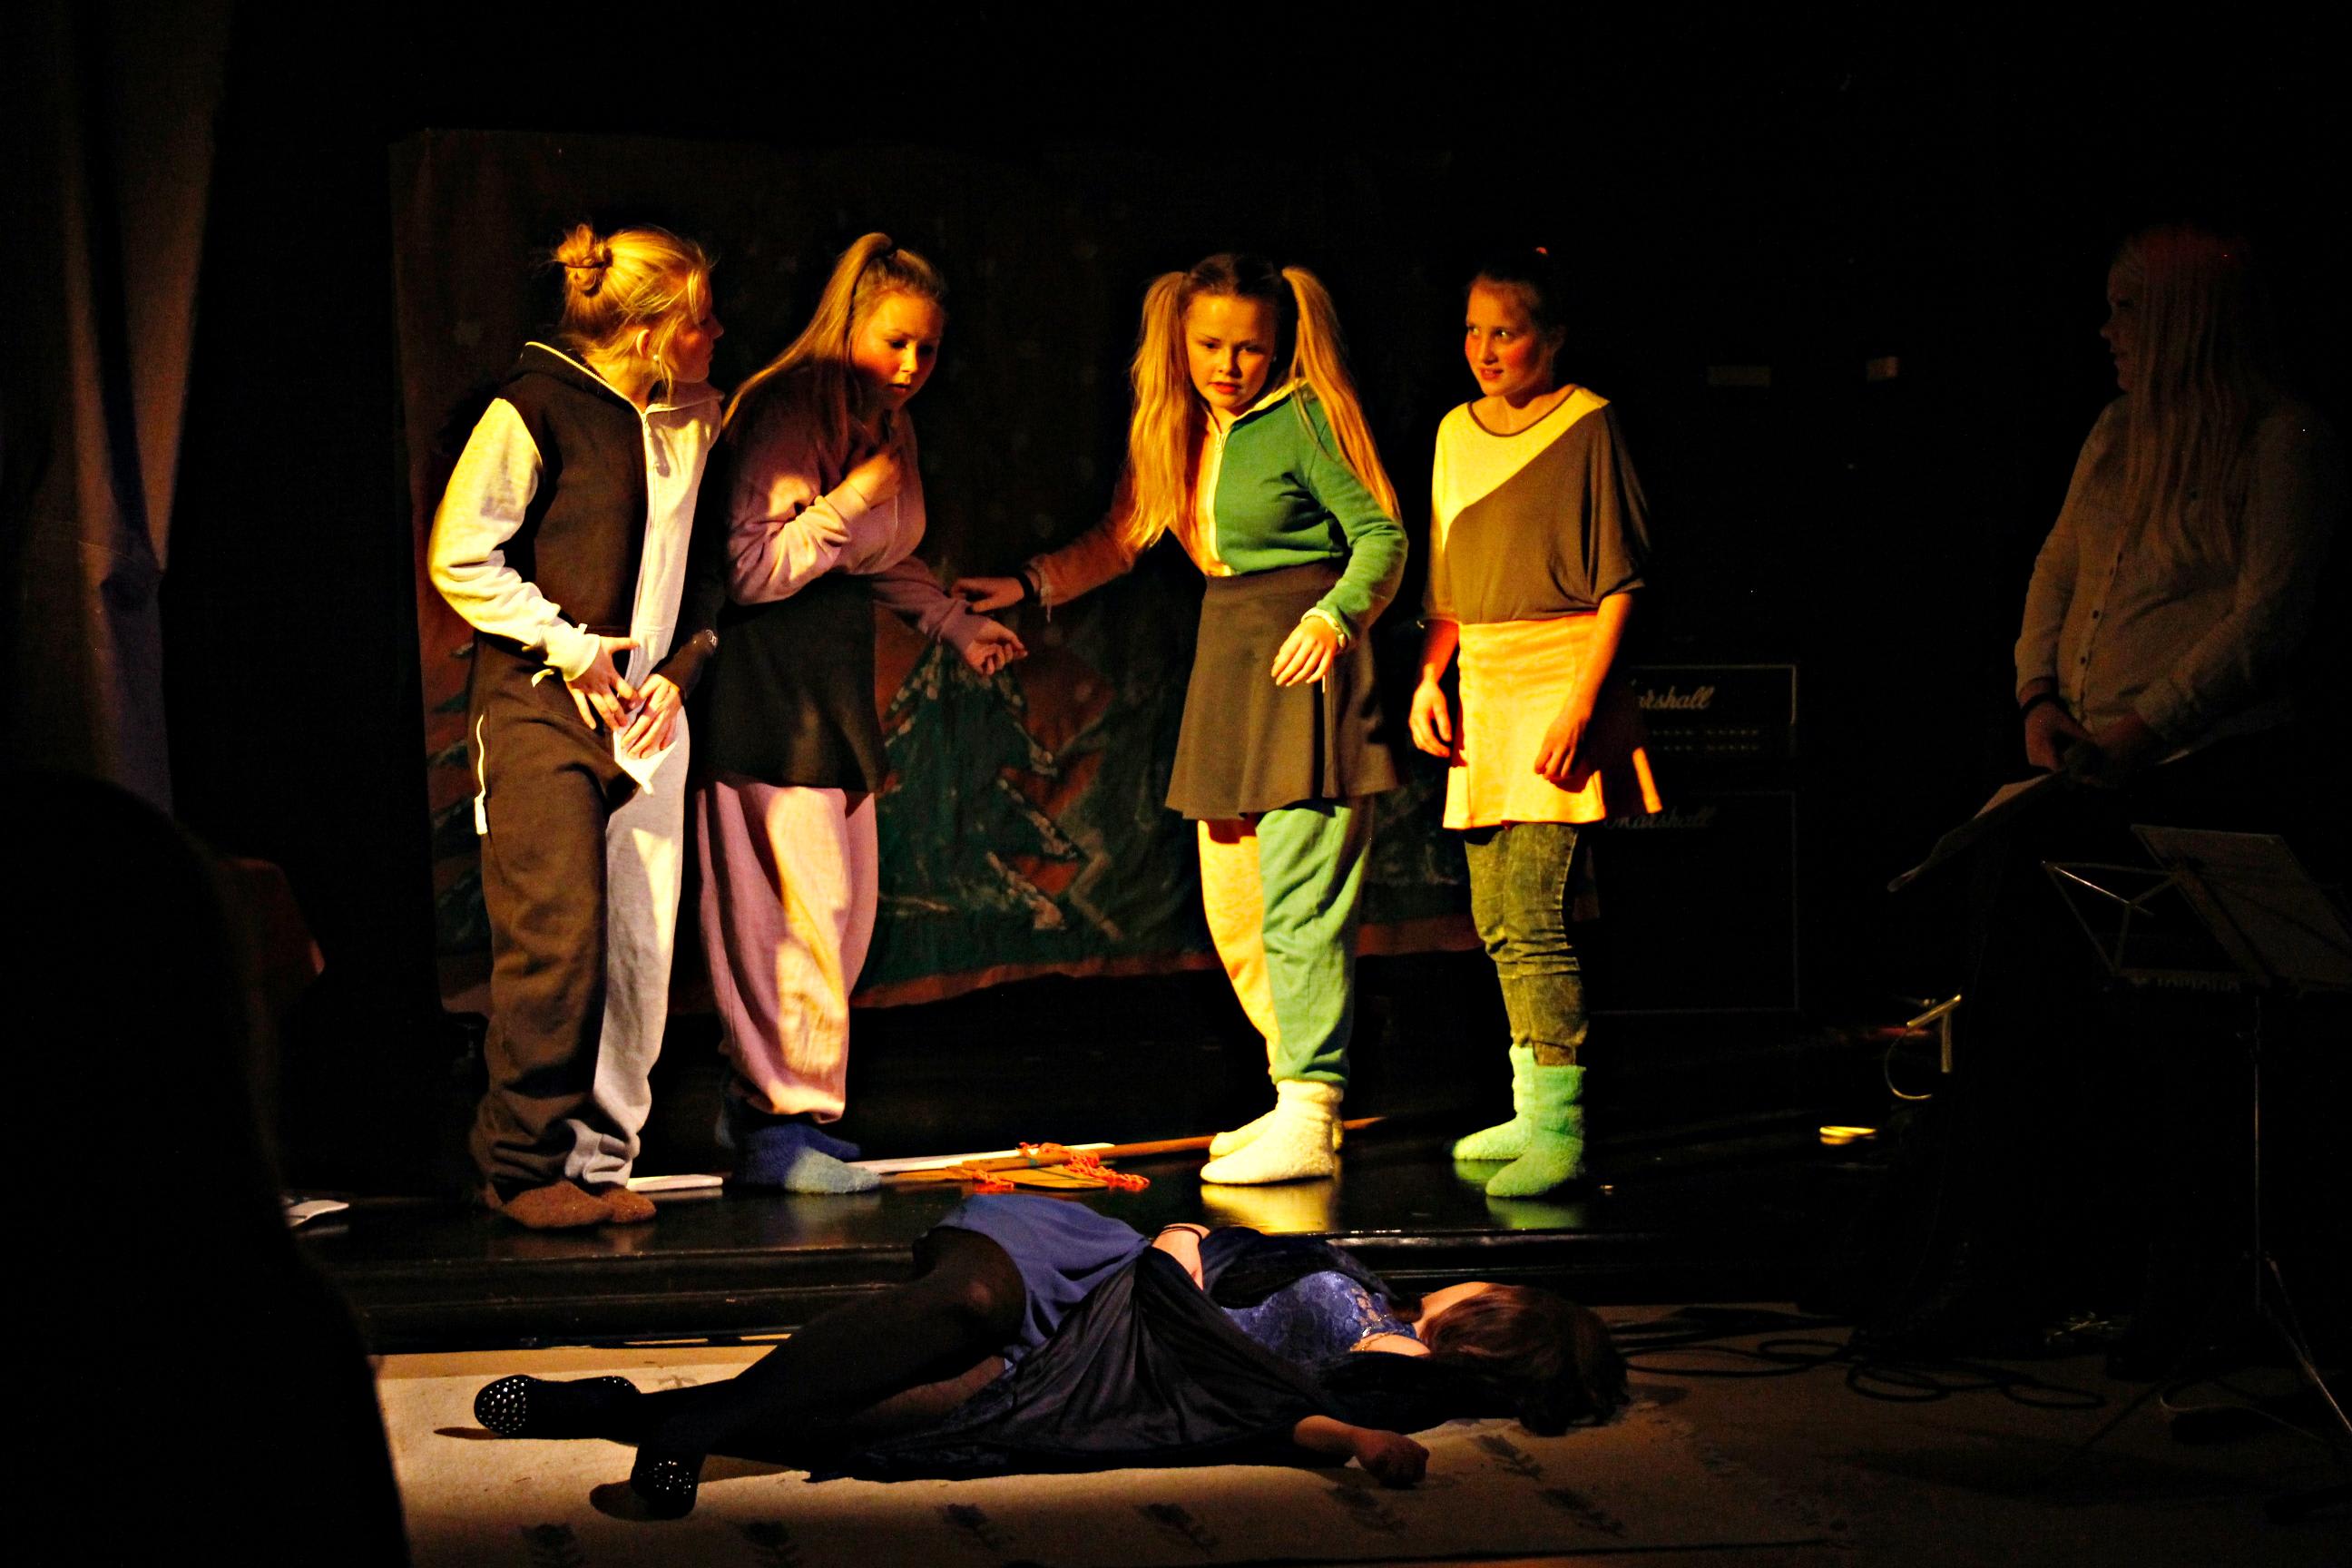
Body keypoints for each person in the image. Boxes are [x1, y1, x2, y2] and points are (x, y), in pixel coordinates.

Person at [1966, 220, 2343, 1363]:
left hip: (2205, 780)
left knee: (2182, 1055)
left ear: (2183, 320)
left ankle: (2191, 1298)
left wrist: (2149, 725)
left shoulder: (2280, 438)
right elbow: (2057, 568)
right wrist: (2038, 693)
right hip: (2097, 769)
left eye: (2129, 309)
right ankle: (2047, 1274)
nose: (2107, 332)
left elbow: (2268, 619)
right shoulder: (2117, 432)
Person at [956, 255, 1406, 1185]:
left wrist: (1335, 617)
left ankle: (1313, 1102)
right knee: (1235, 902)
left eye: (1250, 349)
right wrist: (1030, 584)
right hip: (1230, 656)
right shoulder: (1183, 427)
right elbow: (1125, 535)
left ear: (1278, 347)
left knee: (1299, 899)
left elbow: (1381, 537)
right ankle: (1296, 1093)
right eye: (1211, 346)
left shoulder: (1303, 419)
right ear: (1182, 339)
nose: (1229, 366)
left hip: (1302, 652)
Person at [471, 1192, 1627, 1516]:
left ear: (1497, 1318)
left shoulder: (1403, 1385)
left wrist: (1359, 1438)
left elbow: (1252, 1397)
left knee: (877, 1418)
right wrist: (1179, 1256)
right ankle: (678, 1428)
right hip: (1086, 1265)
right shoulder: (1361, 1286)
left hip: (1107, 1359)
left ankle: (623, 1408)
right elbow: (1205, 1245)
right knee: (968, 1300)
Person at [688, 234, 1025, 1193]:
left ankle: (779, 1112)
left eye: (928, 348)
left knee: (843, 915)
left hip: (832, 686)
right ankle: (777, 1128)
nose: (912, 365)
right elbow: (754, 568)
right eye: (895, 342)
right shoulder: (792, 410)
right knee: (791, 917)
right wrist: (852, 497)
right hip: (769, 686)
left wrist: (954, 623)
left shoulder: (886, 422)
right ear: (848, 327)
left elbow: (882, 556)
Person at [429, 223, 725, 1229]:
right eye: (699, 320)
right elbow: (461, 553)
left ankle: (598, 1164)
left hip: (648, 717)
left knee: (639, 951)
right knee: (557, 940)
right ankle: (521, 1168)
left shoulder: (693, 423)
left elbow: (707, 571)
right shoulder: (535, 409)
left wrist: (680, 669)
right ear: (649, 333)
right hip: (542, 710)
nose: (715, 335)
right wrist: (570, 645)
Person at [1407, 250, 1661, 1199]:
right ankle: (1529, 1105)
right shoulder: (1453, 432)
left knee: (1537, 909)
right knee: (1493, 917)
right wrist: (1430, 679)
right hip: (1485, 678)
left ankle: (1561, 1125)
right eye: (1473, 331)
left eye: (1505, 333)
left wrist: (1582, 702)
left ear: (1549, 339)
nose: (1484, 350)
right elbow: (1447, 582)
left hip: (1558, 674)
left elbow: (1620, 582)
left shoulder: (1588, 422)